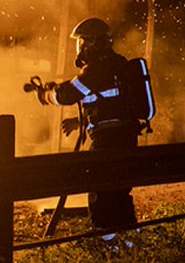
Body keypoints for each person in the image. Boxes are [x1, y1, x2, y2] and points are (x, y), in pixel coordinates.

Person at [40, 18, 141, 234]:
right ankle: (129, 241)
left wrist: (46, 95)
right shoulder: (119, 64)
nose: (80, 48)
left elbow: (68, 95)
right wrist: (81, 121)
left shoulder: (96, 68)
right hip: (127, 137)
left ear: (93, 43)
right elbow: (109, 104)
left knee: (100, 190)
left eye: (82, 43)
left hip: (107, 141)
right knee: (119, 190)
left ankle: (105, 243)